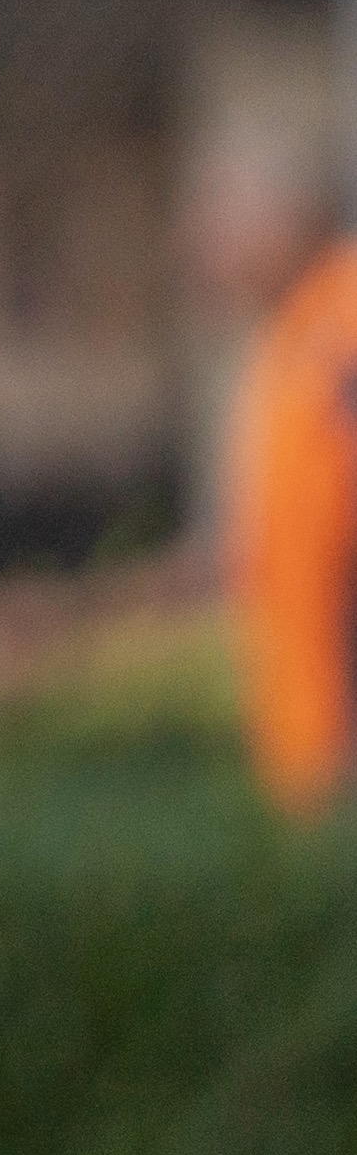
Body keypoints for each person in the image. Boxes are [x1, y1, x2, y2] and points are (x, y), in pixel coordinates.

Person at [219, 209, 357, 816]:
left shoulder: (340, 318)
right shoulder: (287, 341)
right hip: (309, 762)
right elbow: (256, 553)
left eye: (229, 223)